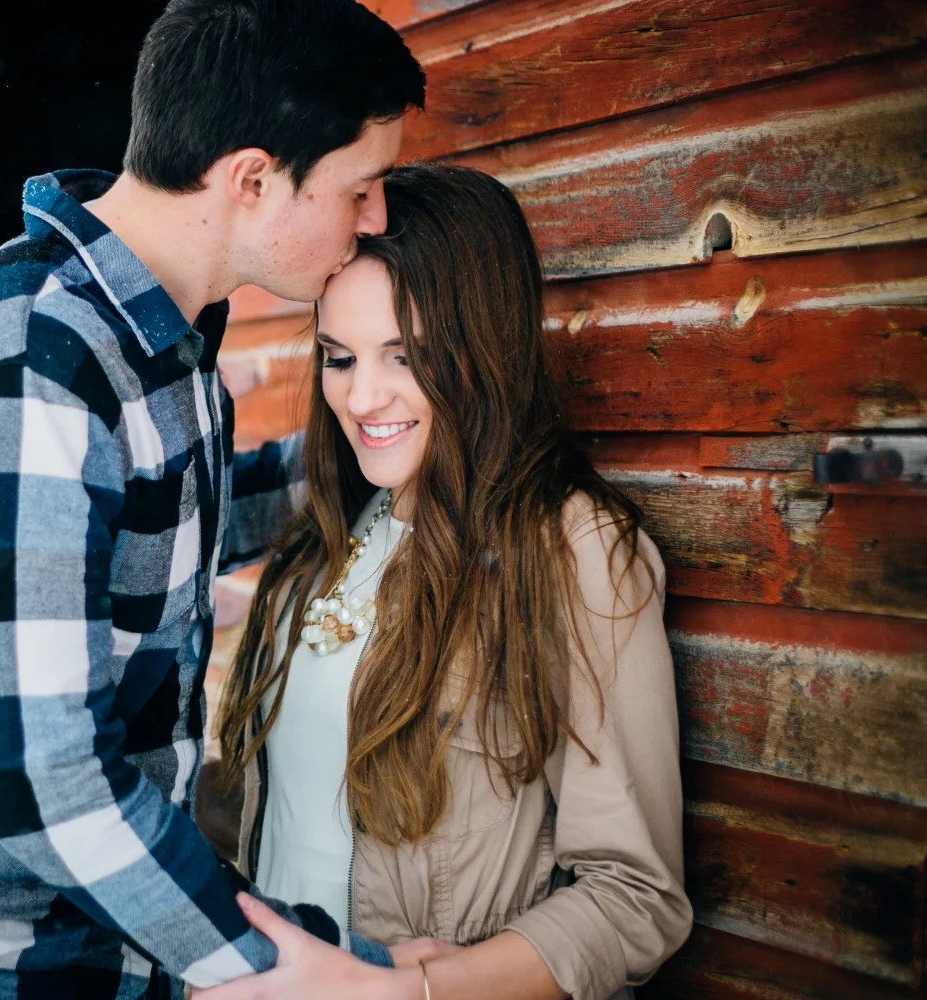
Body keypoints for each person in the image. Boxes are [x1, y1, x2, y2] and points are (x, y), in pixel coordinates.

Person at [0, 2, 430, 998]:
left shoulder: (156, 343)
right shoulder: (29, 359)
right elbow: (44, 781)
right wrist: (311, 968)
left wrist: (409, 433)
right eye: (360, 188)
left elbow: (172, 528)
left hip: (77, 953)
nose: (374, 219)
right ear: (252, 180)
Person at [204, 163, 693, 1000]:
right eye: (339, 356)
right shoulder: (321, 538)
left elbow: (634, 899)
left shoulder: (572, 551)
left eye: (407, 355)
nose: (362, 397)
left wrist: (406, 992)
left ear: (485, 346)